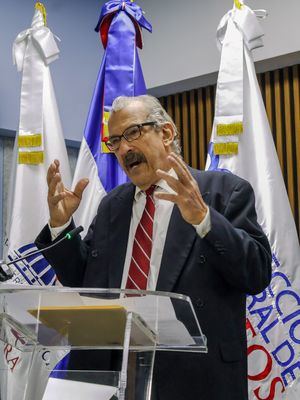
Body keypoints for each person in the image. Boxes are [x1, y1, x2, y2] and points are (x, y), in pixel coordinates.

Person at [36, 95, 272, 400]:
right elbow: (84, 280)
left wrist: (204, 219)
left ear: (166, 133)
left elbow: (256, 274)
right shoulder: (112, 206)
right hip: (109, 377)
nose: (123, 149)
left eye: (133, 133)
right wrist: (61, 228)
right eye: (115, 141)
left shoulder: (222, 193)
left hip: (194, 380)